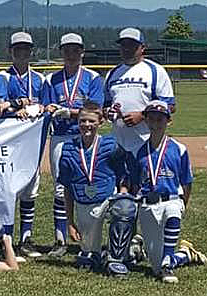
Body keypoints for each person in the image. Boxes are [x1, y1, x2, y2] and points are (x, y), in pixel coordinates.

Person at [129, 101, 207, 283]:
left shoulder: (179, 149)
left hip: (171, 199)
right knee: (156, 267)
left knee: (173, 212)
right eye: (152, 119)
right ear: (146, 122)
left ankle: (168, 262)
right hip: (148, 205)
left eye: (160, 119)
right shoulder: (138, 152)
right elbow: (135, 184)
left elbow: (186, 182)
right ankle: (185, 254)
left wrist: (182, 205)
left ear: (168, 122)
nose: (156, 123)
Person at [43, 33, 104, 257]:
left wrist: (71, 113)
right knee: (61, 188)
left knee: (87, 182)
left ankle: (89, 235)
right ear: (61, 52)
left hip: (86, 136)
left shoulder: (93, 77)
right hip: (60, 137)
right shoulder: (51, 79)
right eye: (67, 50)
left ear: (82, 52)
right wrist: (51, 110)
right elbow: (46, 107)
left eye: (75, 50)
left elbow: (96, 110)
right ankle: (60, 239)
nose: (71, 54)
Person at [59, 103, 138, 276]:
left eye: (91, 121)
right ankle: (126, 250)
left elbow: (123, 174)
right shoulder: (67, 149)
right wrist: (70, 222)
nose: (87, 125)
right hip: (83, 202)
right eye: (82, 121)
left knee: (124, 207)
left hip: (106, 198)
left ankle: (116, 259)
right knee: (89, 257)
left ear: (100, 123)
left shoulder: (111, 145)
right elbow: (66, 188)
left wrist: (123, 193)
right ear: (77, 122)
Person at [2, 32, 47, 258]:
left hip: (32, 144)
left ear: (31, 52)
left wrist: (42, 108)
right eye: (17, 48)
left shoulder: (40, 79)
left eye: (26, 49)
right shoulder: (3, 77)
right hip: (8, 146)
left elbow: (49, 106)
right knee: (8, 191)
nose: (22, 53)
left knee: (30, 191)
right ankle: (6, 239)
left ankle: (26, 239)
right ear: (10, 51)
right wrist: (13, 109)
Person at [104, 27, 176, 155]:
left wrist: (142, 115)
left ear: (142, 48)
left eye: (132, 45)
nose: (127, 49)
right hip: (118, 143)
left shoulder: (155, 71)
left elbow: (170, 106)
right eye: (123, 45)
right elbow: (106, 106)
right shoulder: (112, 73)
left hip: (148, 142)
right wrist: (109, 113)